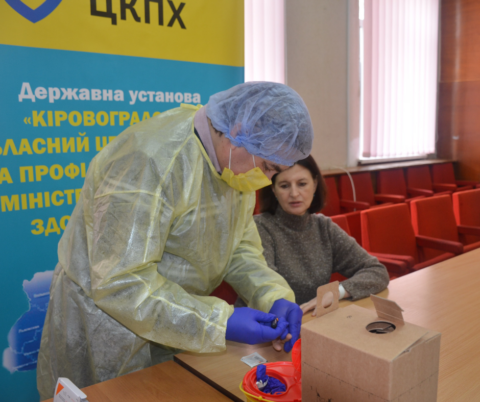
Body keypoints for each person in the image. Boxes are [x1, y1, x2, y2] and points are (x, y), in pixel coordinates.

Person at [37, 82, 313, 399]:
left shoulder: (232, 168)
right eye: (268, 166)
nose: (266, 179)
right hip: (105, 327)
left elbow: (238, 249)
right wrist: (219, 322)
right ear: (239, 131)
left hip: (174, 319)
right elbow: (120, 283)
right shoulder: (149, 159)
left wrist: (272, 295)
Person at [251, 155, 389, 316]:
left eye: (302, 184)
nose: (294, 193)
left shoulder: (324, 227)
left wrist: (336, 292)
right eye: (284, 186)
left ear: (315, 184)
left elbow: (377, 271)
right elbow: (265, 292)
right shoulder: (259, 227)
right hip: (268, 323)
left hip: (312, 319)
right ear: (273, 189)